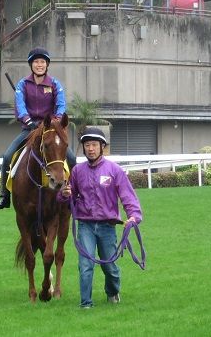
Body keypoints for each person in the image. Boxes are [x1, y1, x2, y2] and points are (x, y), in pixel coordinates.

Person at [58, 127, 143, 308]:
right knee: (85, 265)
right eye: (87, 145)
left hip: (107, 226)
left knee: (110, 268)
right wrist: (65, 194)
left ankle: (112, 292)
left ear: (102, 146)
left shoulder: (114, 170)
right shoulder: (77, 171)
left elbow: (127, 197)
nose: (90, 148)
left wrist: (134, 216)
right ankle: (86, 304)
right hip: (85, 226)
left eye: (94, 145)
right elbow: (68, 199)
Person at [0, 47, 76, 209]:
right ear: (31, 64)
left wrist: (57, 121)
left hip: (50, 129)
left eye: (43, 62)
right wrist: (29, 121)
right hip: (29, 129)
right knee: (7, 156)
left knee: (72, 159)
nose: (40, 65)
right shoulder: (22, 84)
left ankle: (75, 194)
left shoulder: (55, 84)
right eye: (36, 62)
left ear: (47, 65)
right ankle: (5, 195)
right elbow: (20, 106)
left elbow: (61, 105)